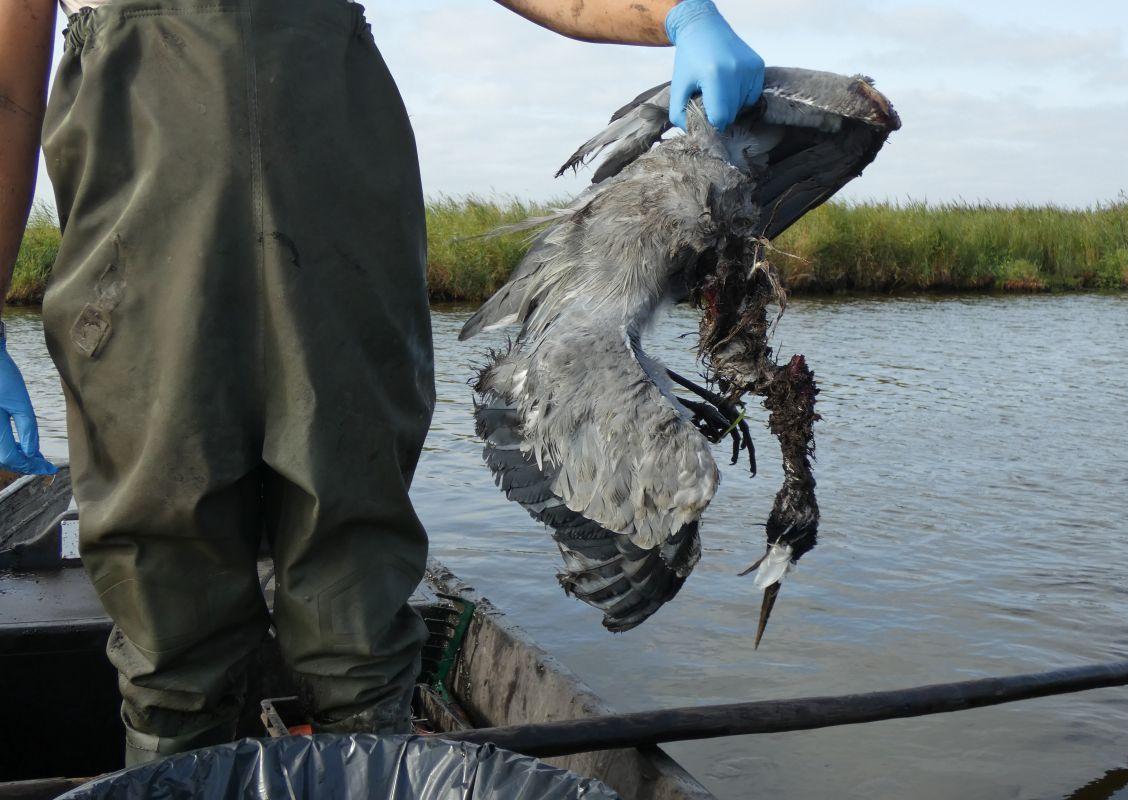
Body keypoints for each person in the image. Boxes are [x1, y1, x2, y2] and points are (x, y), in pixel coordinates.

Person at [0, 0, 764, 766]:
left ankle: (370, 764)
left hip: (342, 233)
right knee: (165, 601)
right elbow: (8, 86)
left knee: (357, 589)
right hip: (137, 254)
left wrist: (679, 14)